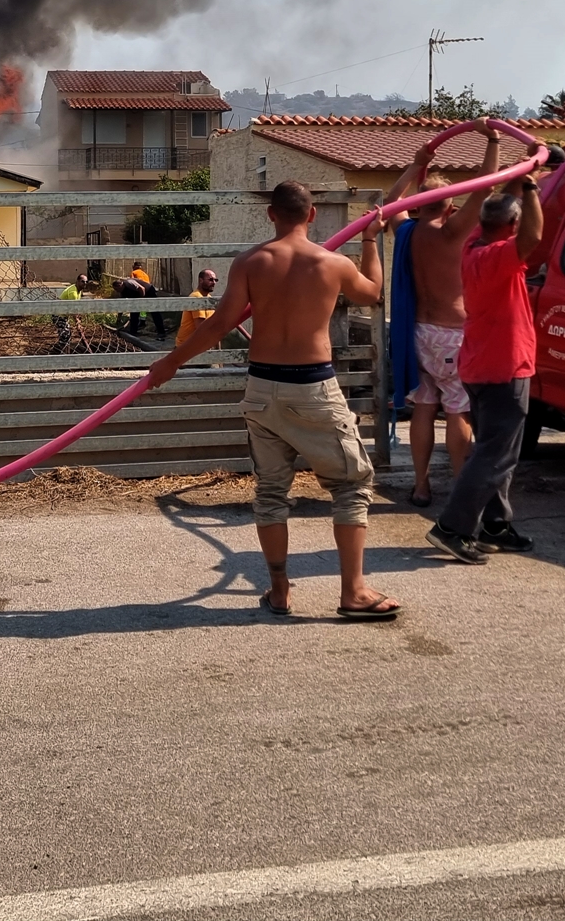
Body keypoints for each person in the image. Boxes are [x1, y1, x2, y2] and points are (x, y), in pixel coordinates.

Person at [148, 181, 400, 620]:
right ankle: (354, 592)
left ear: (271, 216)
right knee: (352, 485)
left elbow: (218, 324)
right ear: (312, 215)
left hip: (262, 387)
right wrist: (371, 240)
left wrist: (170, 364)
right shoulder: (333, 263)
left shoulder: (249, 262)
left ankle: (280, 589)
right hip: (313, 387)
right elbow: (373, 293)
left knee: (270, 492)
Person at [379, 127, 504, 506]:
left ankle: (420, 485)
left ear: (420, 204)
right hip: (452, 335)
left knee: (424, 407)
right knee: (457, 412)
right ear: (449, 205)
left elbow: (388, 204)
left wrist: (416, 165)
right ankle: (461, 491)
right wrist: (493, 141)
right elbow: (485, 188)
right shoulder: (451, 232)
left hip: (417, 333)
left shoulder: (408, 231)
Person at [427, 170, 544, 565]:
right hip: (503, 366)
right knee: (495, 456)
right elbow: (532, 237)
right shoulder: (500, 256)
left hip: (478, 365)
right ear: (510, 227)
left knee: (494, 450)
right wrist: (530, 190)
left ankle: (496, 524)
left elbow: (499, 213)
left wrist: (524, 173)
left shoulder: (474, 246)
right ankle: (452, 528)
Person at [174, 268, 220, 348]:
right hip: (186, 348)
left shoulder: (209, 299)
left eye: (215, 280)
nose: (214, 283)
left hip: (198, 346)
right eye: (211, 280)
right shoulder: (196, 297)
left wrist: (218, 353)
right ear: (201, 280)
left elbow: (214, 327)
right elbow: (201, 328)